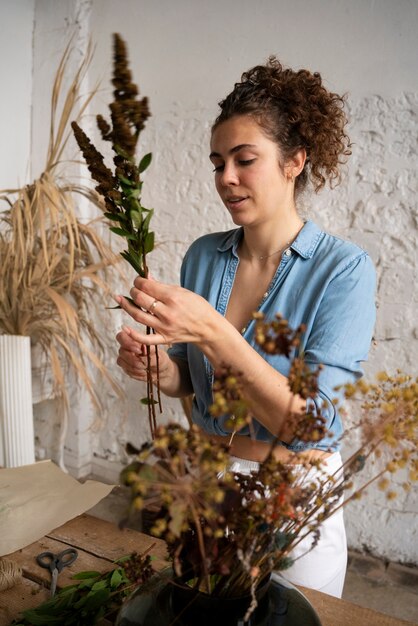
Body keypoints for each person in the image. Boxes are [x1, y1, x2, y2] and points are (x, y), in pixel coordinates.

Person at [115, 57, 376, 598]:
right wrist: (158, 366)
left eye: (244, 159)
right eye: (217, 163)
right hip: (206, 484)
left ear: (295, 161)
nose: (225, 178)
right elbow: (189, 382)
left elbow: (314, 427)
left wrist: (211, 330)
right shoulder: (204, 257)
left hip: (294, 496)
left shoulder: (343, 271)